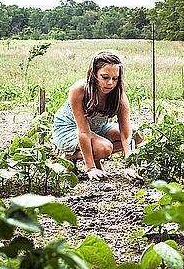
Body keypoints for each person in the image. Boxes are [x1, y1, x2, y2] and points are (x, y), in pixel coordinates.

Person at [52, 50, 142, 181]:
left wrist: (130, 166)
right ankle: (69, 156)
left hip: (97, 129)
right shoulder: (79, 90)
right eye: (105, 77)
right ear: (94, 74)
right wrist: (91, 168)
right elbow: (83, 131)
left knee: (137, 135)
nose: (110, 83)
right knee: (104, 148)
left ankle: (86, 153)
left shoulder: (118, 96)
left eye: (115, 78)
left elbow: (126, 134)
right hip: (69, 129)